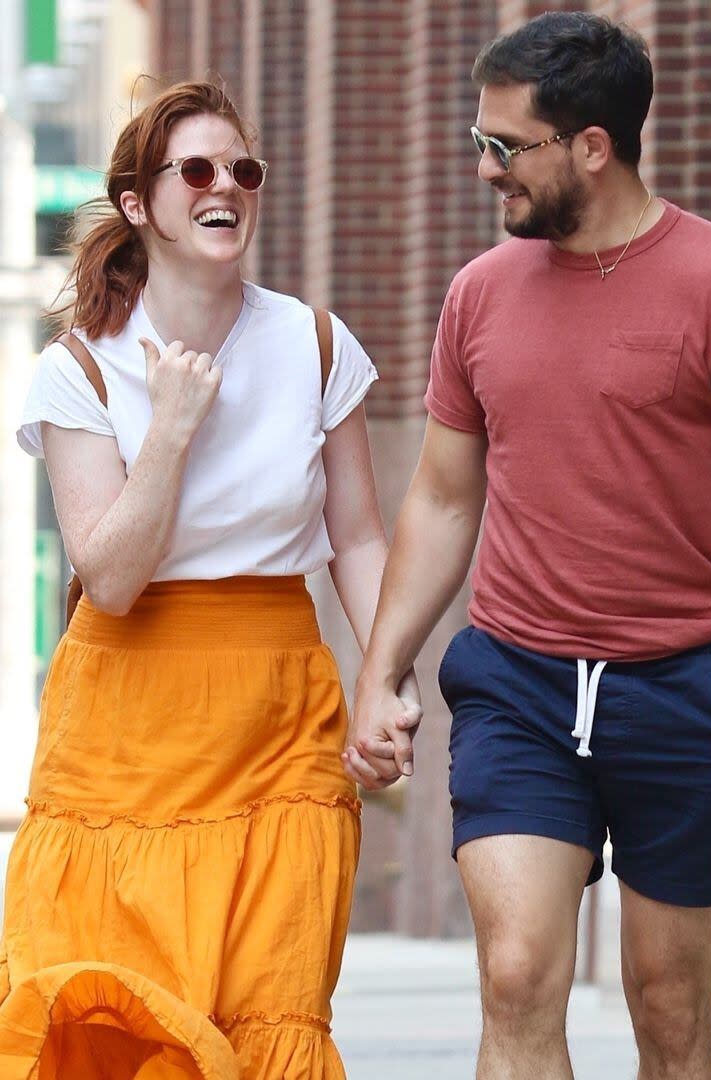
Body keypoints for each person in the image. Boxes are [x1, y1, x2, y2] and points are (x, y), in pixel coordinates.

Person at [347, 12, 711, 1080]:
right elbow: (444, 499)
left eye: (507, 148)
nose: (484, 168)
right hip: (520, 685)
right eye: (480, 139)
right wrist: (380, 674)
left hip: (691, 690)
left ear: (592, 147)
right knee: (515, 976)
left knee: (669, 1007)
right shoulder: (479, 296)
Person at [0, 80, 418, 1079]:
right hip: (123, 734)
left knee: (271, 1013)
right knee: (119, 1020)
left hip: (279, 720)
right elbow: (108, 581)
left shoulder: (314, 344)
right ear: (141, 204)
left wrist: (382, 680)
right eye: (197, 169)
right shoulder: (82, 369)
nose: (225, 185)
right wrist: (173, 433)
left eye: (243, 169)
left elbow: (358, 539)